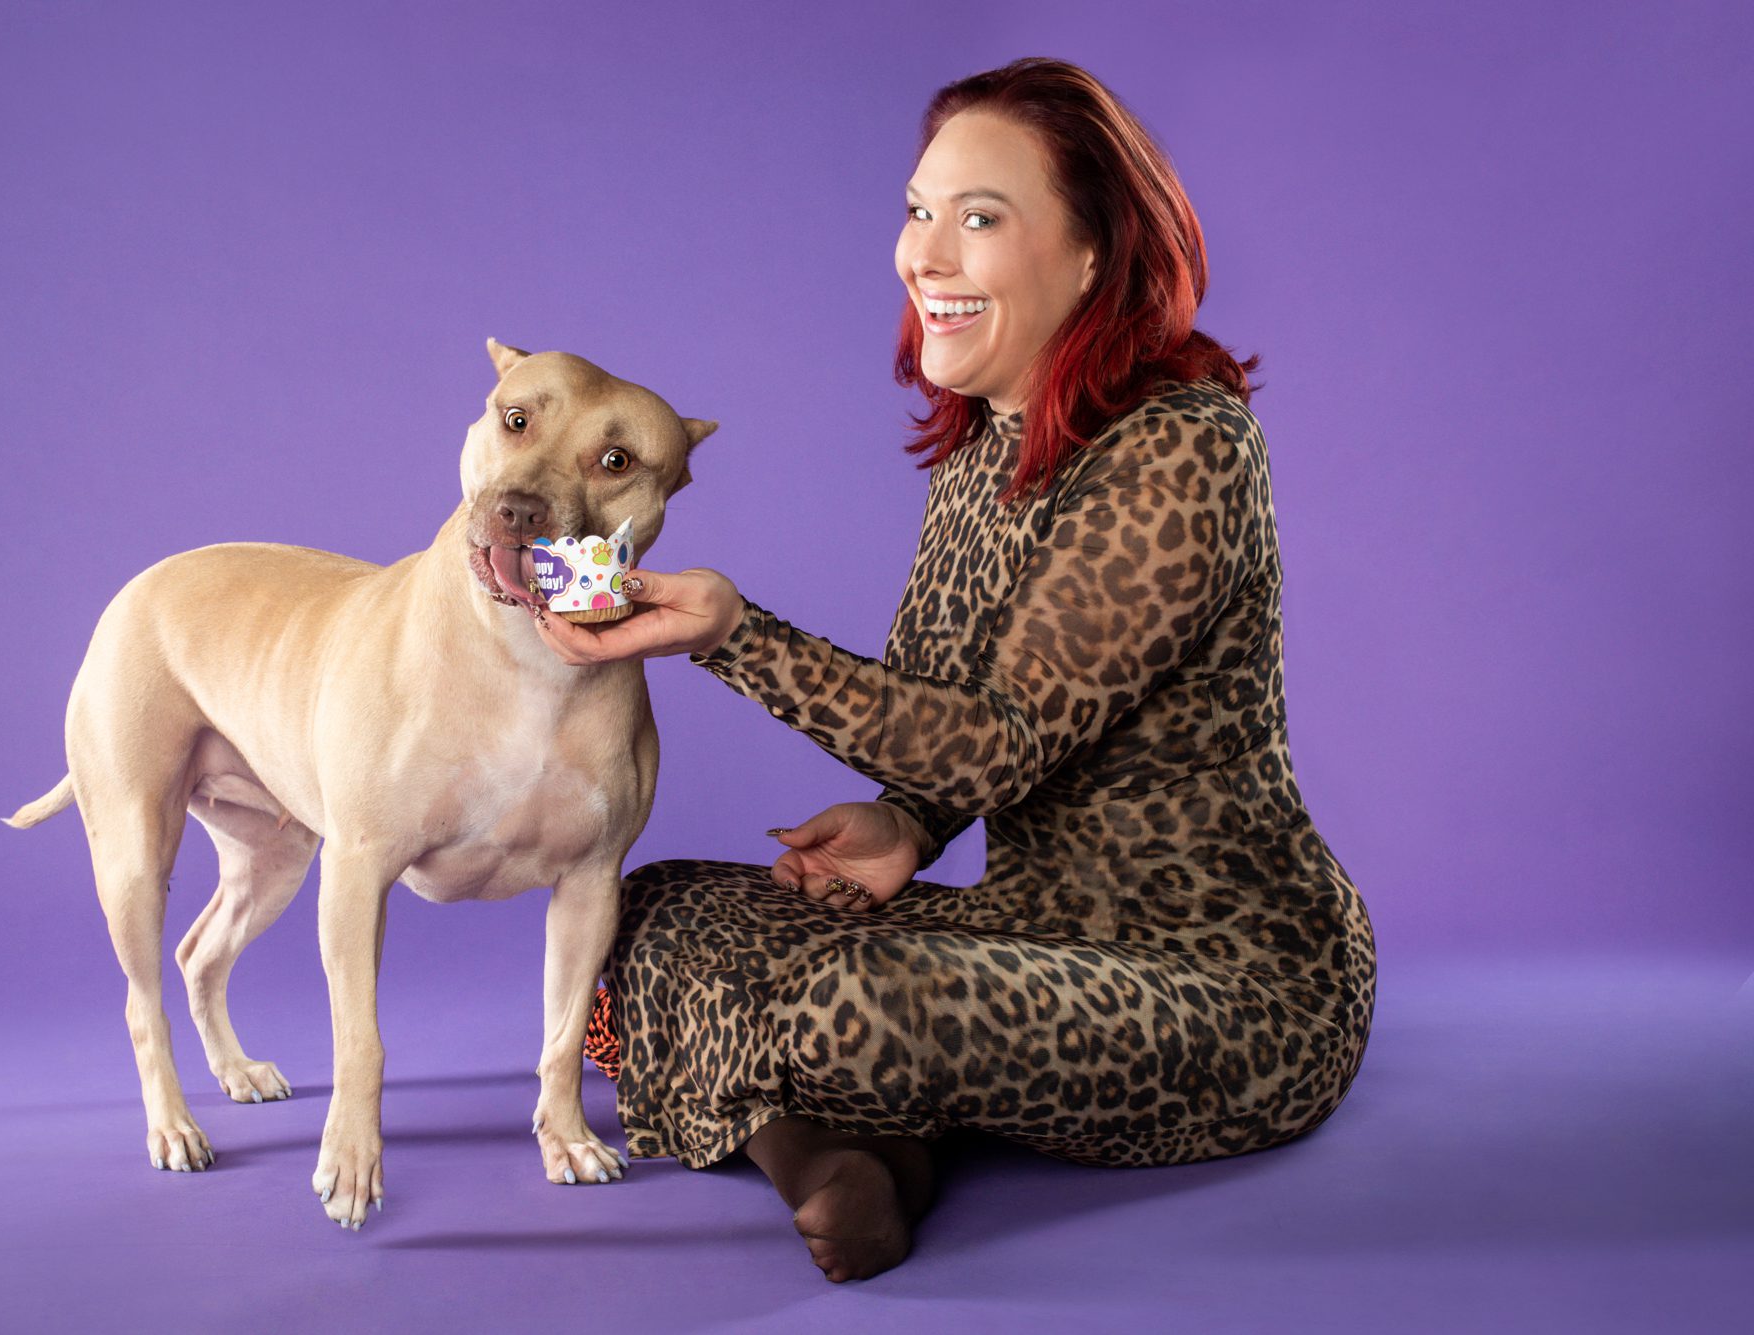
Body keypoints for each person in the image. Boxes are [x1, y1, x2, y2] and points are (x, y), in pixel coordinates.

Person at [533, 56, 1376, 1283]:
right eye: (917, 210)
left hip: (1230, 985)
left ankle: (833, 1146)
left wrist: (730, 634)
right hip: (1031, 933)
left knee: (853, 1008)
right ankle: (850, 1155)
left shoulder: (1182, 448)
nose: (921, 254)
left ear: (1090, 257)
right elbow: (946, 732)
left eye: (977, 218)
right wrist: (906, 826)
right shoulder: (984, 446)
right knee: (652, 909)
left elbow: (999, 738)